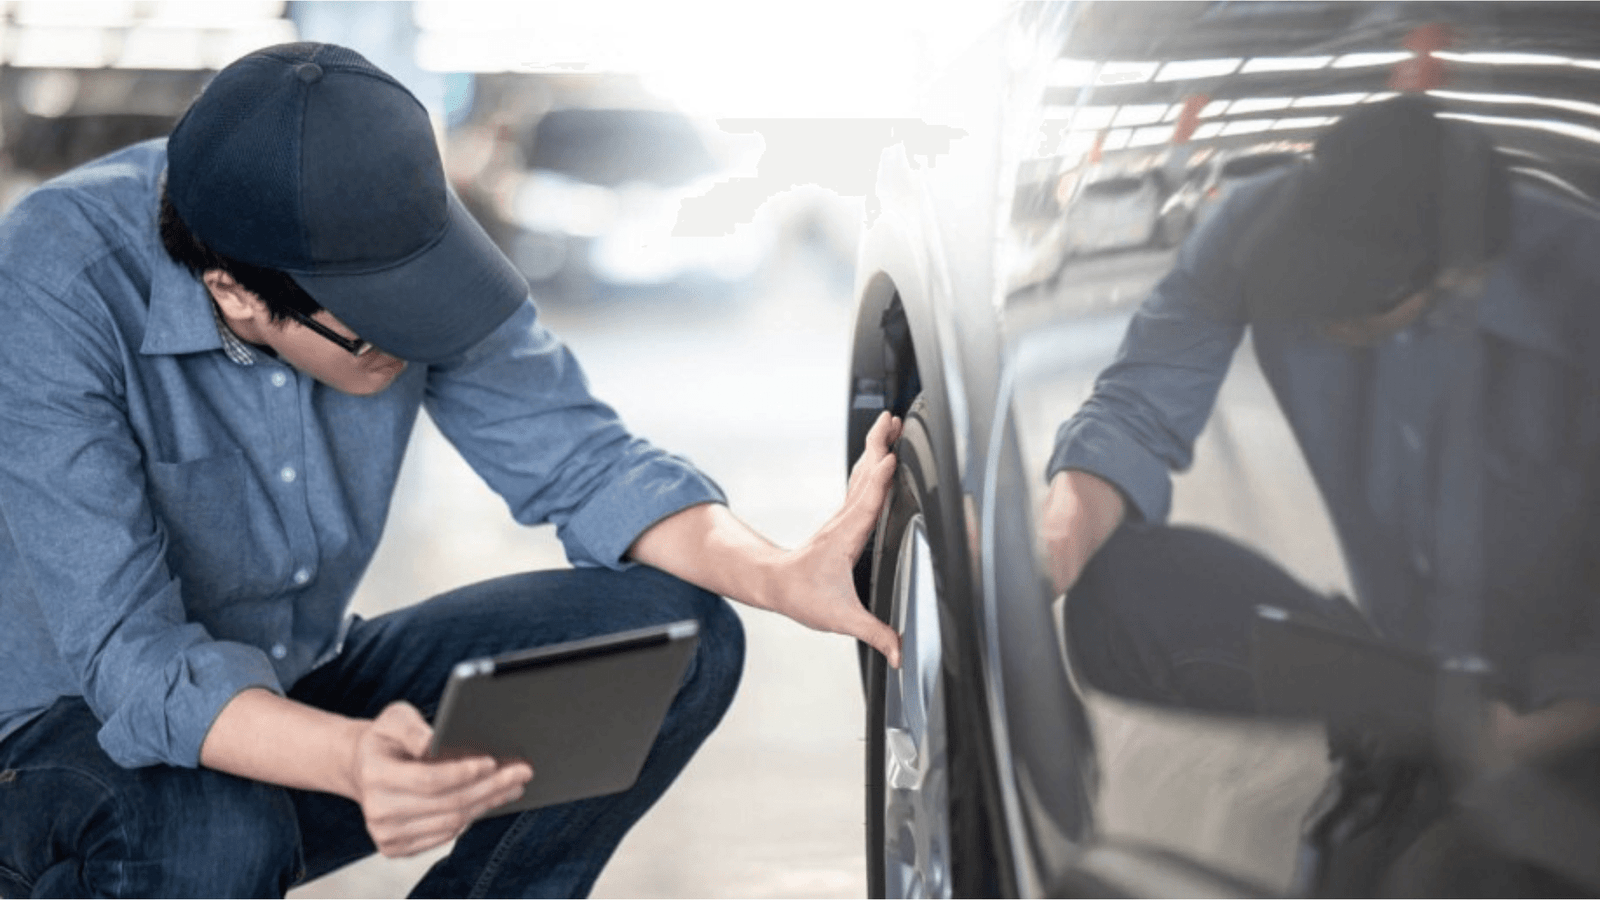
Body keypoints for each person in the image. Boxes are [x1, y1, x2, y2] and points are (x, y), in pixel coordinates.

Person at [0, 43, 901, 898]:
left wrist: (780, 574)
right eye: (375, 325)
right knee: (215, 825)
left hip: (294, 673)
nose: (418, 337)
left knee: (671, 645)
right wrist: (350, 758)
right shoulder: (57, 282)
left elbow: (586, 462)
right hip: (57, 737)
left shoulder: (382, 224)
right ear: (235, 293)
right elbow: (134, 660)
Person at [1040, 93, 1600, 892]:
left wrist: (1534, 732)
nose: (1314, 313)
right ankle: (1401, 747)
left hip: (1569, 708)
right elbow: (1135, 408)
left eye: (1349, 302)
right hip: (1413, 675)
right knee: (1123, 590)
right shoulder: (1258, 227)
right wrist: (1047, 550)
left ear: (1453, 280)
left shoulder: (1581, 285)